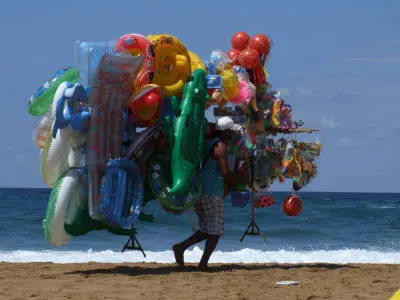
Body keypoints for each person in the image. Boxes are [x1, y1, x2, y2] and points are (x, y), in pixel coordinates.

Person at [172, 116, 248, 271]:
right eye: (232, 132)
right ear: (226, 133)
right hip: (211, 193)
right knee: (216, 231)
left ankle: (181, 248)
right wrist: (241, 176)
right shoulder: (220, 147)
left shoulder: (208, 144)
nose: (234, 135)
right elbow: (226, 174)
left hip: (201, 191)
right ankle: (202, 263)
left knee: (208, 229)